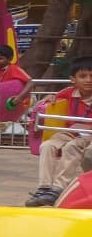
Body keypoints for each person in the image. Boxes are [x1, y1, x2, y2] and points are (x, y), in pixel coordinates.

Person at [25, 56, 92, 207]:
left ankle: (58, 187)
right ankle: (44, 187)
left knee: (71, 148)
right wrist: (49, 98)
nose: (88, 80)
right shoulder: (69, 92)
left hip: (88, 135)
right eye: (83, 76)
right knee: (47, 146)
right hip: (70, 132)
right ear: (73, 80)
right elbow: (54, 97)